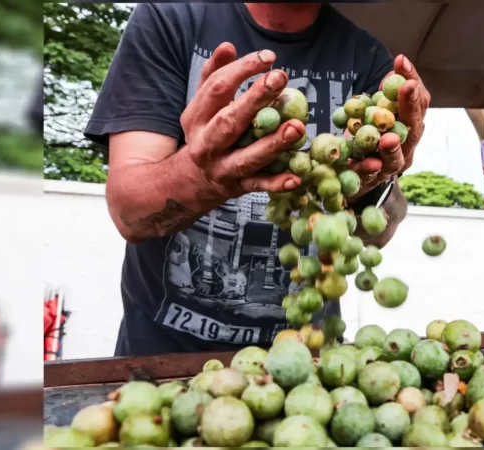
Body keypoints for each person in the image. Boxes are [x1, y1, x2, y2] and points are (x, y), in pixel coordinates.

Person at [84, 3, 430, 356]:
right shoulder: (170, 19)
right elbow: (129, 212)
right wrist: (206, 178)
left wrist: (372, 187)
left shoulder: (366, 56)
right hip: (163, 367)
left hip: (308, 372)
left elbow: (378, 232)